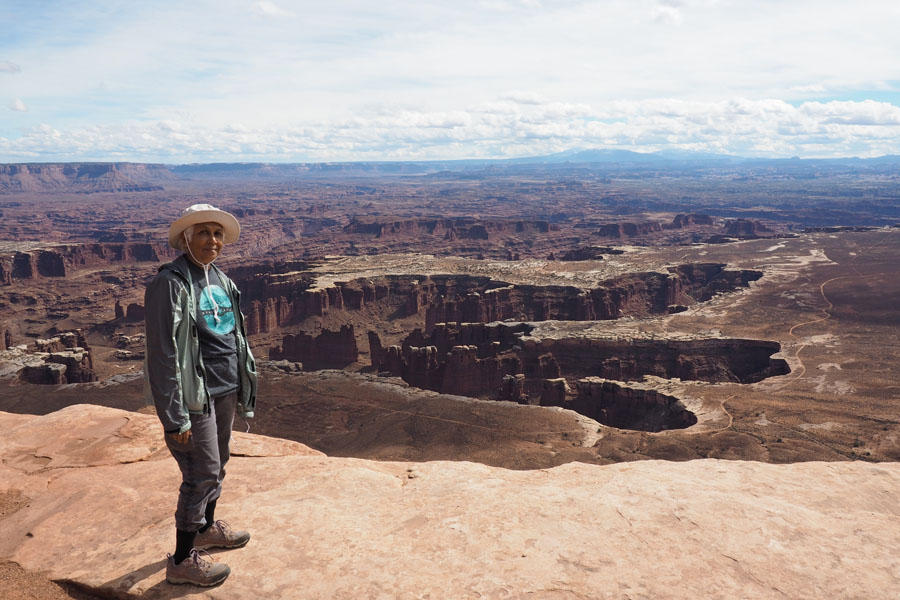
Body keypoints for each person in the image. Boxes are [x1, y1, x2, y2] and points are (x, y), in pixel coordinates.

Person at [144, 203, 258, 587]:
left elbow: (232, 338)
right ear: (186, 238)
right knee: (201, 472)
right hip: (195, 397)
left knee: (219, 462)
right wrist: (174, 416)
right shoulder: (171, 283)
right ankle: (180, 560)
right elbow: (162, 354)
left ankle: (206, 527)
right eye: (204, 232)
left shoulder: (220, 280)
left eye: (218, 234)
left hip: (225, 389)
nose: (213, 240)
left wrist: (243, 384)